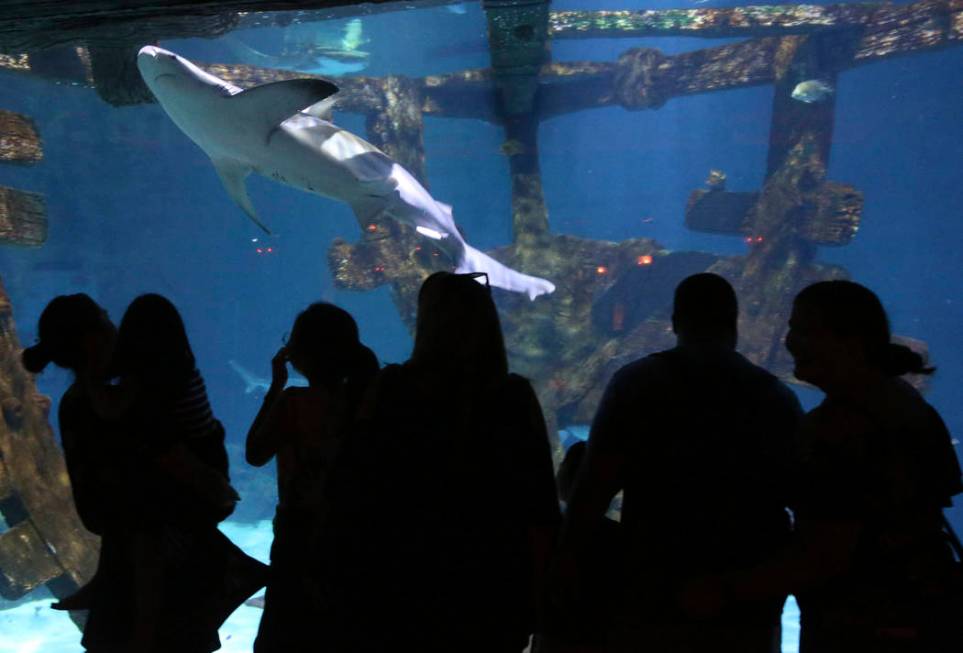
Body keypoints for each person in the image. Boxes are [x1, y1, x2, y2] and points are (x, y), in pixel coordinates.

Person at [680, 280, 962, 652]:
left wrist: (726, 588)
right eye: (792, 328)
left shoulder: (837, 428)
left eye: (805, 331)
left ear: (852, 342)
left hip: (862, 625)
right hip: (922, 607)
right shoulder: (905, 402)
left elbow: (824, 553)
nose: (790, 342)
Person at [555, 273, 802, 653]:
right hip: (742, 602)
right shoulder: (775, 397)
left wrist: (567, 568)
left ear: (675, 322)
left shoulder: (636, 384)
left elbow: (593, 490)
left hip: (654, 589)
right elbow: (800, 503)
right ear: (734, 324)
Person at [323, 271, 561, 653]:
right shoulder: (512, 397)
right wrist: (542, 598)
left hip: (402, 586)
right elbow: (540, 510)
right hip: (491, 592)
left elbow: (352, 485)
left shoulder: (390, 389)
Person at [80, 293, 263, 653]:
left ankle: (145, 635)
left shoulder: (133, 388)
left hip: (170, 498)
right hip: (187, 496)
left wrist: (89, 376)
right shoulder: (179, 375)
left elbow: (157, 439)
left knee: (154, 579)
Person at [246, 302, 378, 653]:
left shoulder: (292, 403)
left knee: (285, 633)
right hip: (351, 536)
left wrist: (276, 385)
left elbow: (254, 453)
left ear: (298, 354)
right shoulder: (367, 403)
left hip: (297, 535)